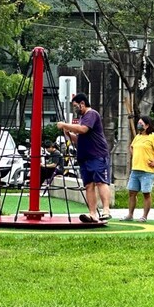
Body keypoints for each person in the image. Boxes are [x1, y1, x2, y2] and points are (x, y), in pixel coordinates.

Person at [56, 93, 112, 223]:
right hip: (85, 157)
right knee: (88, 185)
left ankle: (106, 209)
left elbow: (83, 130)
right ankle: (92, 213)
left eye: (75, 106)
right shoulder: (82, 118)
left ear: (82, 103)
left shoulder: (91, 114)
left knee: (100, 182)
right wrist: (68, 134)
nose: (75, 109)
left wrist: (65, 125)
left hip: (97, 155)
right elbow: (78, 138)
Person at [121, 115, 154, 222]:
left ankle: (144, 216)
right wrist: (136, 155)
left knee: (146, 193)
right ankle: (130, 214)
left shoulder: (153, 137)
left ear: (147, 125)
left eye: (141, 123)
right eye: (138, 123)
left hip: (147, 171)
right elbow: (131, 147)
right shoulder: (137, 137)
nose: (139, 125)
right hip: (135, 170)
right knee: (132, 192)